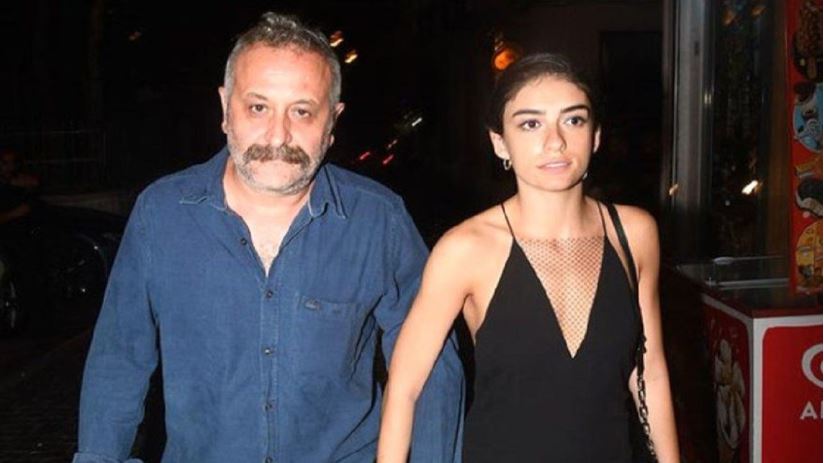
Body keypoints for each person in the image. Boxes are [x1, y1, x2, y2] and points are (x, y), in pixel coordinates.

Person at [73, 12, 464, 463]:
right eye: (258, 108)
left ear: (332, 122)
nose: (279, 135)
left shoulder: (378, 221)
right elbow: (119, 360)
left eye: (302, 111)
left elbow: (432, 364)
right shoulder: (160, 216)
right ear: (226, 109)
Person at [378, 53, 679, 462]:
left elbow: (650, 371)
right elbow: (405, 386)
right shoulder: (466, 248)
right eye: (530, 124)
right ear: (499, 142)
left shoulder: (635, 234)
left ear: (595, 136)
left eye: (574, 120)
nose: (555, 141)